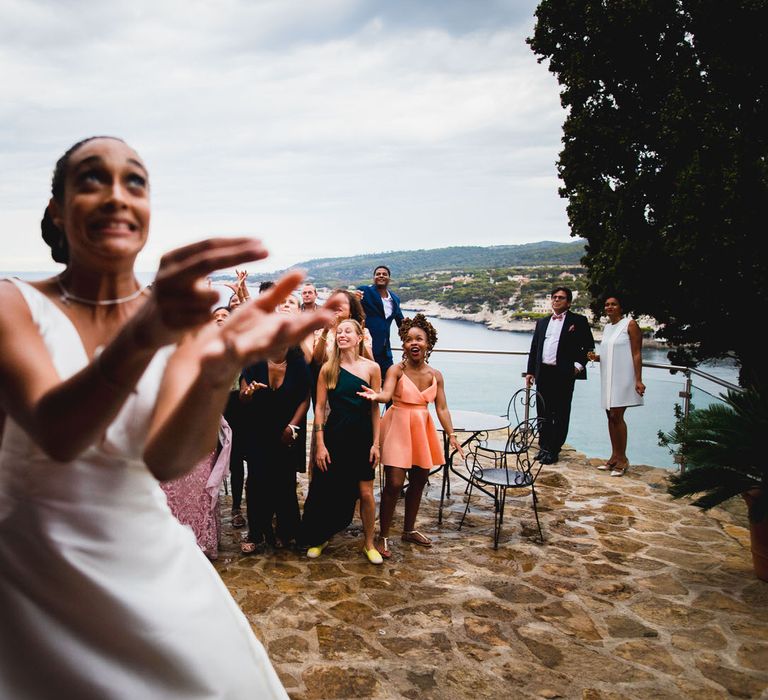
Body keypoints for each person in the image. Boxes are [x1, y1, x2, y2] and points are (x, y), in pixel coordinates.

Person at [0, 136, 331, 698]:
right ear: (57, 208)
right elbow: (56, 432)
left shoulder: (182, 320)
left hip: (145, 546)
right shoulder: (14, 304)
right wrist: (143, 334)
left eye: (135, 181)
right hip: (31, 562)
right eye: (91, 180)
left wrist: (218, 366)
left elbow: (171, 456)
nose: (116, 195)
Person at [358, 314, 463, 557]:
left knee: (418, 480)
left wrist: (452, 434)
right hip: (397, 426)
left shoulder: (436, 375)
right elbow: (386, 395)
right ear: (404, 345)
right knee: (394, 483)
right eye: (408, 339)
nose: (414, 343)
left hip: (421, 429)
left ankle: (408, 530)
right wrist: (376, 396)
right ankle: (383, 535)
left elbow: (442, 408)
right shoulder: (396, 369)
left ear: (428, 344)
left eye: (419, 339)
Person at [299, 319, 383, 564]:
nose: (342, 335)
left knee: (366, 493)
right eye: (339, 332)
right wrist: (320, 445)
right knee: (326, 488)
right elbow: (320, 409)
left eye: (348, 331)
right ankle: (320, 536)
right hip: (335, 435)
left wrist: (376, 443)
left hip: (362, 435)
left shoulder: (372, 368)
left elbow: (376, 410)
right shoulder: (328, 369)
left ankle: (369, 543)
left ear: (359, 338)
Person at [238, 343, 311, 553]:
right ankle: (255, 534)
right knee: (256, 481)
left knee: (284, 481)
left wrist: (293, 426)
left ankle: (284, 531)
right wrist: (248, 393)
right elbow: (242, 397)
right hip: (257, 430)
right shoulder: (254, 361)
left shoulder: (298, 364)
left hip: (286, 432)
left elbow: (305, 400)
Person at [525, 286, 595, 465]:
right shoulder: (542, 322)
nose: (556, 300)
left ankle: (554, 449)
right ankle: (544, 446)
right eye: (554, 297)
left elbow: (588, 347)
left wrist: (578, 367)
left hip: (563, 373)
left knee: (561, 412)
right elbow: (535, 348)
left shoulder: (578, 321)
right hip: (544, 372)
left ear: (569, 302)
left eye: (561, 298)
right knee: (543, 411)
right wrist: (531, 371)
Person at [587, 295, 645, 477]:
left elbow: (636, 353)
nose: (609, 307)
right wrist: (596, 358)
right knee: (609, 416)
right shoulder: (607, 328)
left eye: (613, 304)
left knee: (616, 415)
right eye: (607, 304)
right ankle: (614, 456)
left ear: (621, 307)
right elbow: (609, 352)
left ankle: (623, 459)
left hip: (624, 377)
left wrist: (638, 379)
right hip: (608, 376)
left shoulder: (630, 324)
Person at [360, 265, 404, 379]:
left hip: (385, 352)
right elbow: (351, 304)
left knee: (389, 381)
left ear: (389, 278)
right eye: (378, 274)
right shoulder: (365, 291)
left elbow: (402, 322)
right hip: (366, 349)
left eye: (384, 274)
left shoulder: (395, 299)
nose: (381, 276)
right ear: (374, 277)